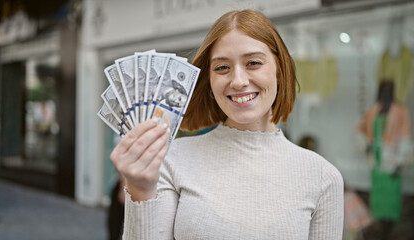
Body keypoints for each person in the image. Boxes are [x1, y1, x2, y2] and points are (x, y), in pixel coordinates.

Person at [111, 9, 344, 239]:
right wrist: (140, 190)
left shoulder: (323, 177)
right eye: (222, 67)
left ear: (280, 71)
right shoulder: (173, 161)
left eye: (253, 63)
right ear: (209, 80)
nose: (238, 81)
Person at [357, 80, 413, 239]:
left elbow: (405, 137)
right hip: (376, 163)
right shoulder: (373, 111)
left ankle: (389, 232)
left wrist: (400, 163)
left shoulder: (401, 112)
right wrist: (367, 144)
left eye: (389, 90)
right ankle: (381, 231)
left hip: (392, 163)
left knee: (392, 200)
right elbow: (362, 129)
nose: (386, 94)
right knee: (378, 200)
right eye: (384, 90)